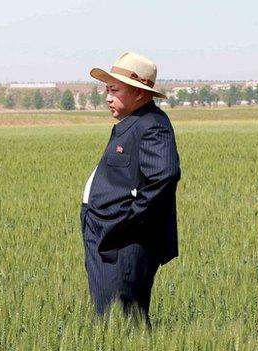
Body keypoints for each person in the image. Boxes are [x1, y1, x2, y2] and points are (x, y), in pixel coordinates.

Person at [80, 51, 181, 326]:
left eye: (114, 90)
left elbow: (165, 176)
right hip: (108, 234)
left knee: (122, 319)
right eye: (106, 90)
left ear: (139, 93)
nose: (107, 97)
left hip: (124, 239)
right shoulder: (133, 123)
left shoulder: (152, 125)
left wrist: (126, 222)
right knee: (110, 315)